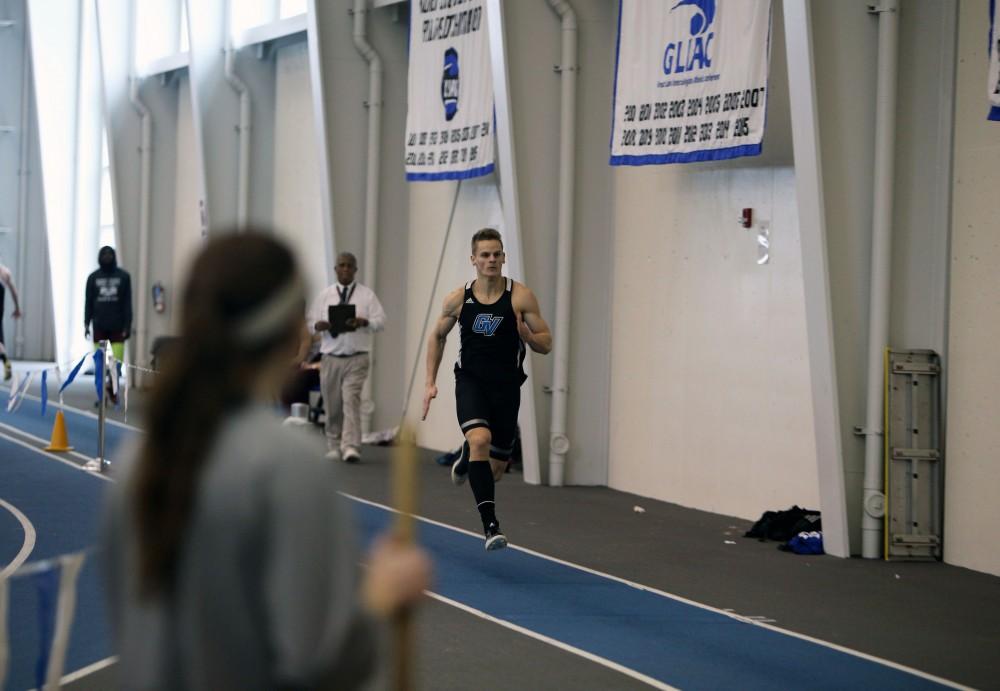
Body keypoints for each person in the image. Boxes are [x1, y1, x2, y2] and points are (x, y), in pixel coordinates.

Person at [102, 233, 431, 690]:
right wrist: (380, 599)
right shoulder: (287, 465)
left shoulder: (136, 462)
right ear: (286, 330)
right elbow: (320, 663)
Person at [422, 228, 552, 550]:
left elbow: (547, 343)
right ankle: (491, 526)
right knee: (480, 437)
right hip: (471, 382)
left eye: (496, 254)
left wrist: (528, 336)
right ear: (474, 260)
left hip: (507, 388)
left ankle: (468, 454)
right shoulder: (457, 298)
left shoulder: (520, 296)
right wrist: (429, 382)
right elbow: (437, 336)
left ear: (504, 257)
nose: (491, 260)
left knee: (494, 471)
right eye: (485, 255)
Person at [309, 252, 386, 463]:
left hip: (356, 357)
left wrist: (365, 322)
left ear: (355, 270)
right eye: (341, 265)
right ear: (335, 269)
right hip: (331, 356)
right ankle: (333, 445)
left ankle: (351, 446)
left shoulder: (366, 296)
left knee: (350, 400)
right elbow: (310, 322)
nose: (345, 269)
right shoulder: (324, 296)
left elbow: (381, 321)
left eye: (349, 266)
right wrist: (318, 325)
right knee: (333, 404)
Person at [84, 245, 133, 365]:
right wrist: (86, 323)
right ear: (99, 257)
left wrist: (127, 325)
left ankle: (113, 382)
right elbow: (88, 302)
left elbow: (127, 303)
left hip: (118, 325)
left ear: (114, 257)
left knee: (116, 364)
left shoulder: (124, 277)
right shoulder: (93, 277)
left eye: (110, 255)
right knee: (100, 364)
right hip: (99, 324)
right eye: (104, 255)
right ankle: (101, 383)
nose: (107, 257)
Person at [0, 260, 22, 381]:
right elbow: (14, 292)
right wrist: (17, 308)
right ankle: (5, 361)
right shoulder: (5, 272)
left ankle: (5, 360)